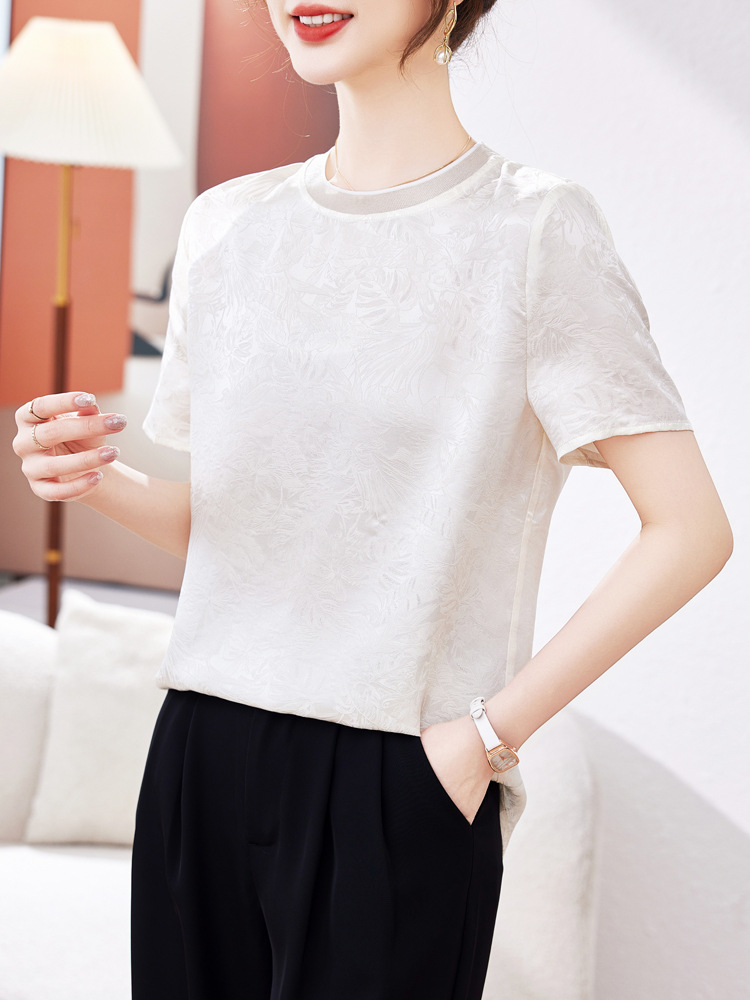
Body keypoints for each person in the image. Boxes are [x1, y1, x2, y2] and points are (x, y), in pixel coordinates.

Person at [12, 2, 732, 998]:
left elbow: (691, 532)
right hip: (199, 751)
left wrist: (482, 743)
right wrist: (99, 482)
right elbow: (245, 531)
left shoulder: (535, 231)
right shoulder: (227, 225)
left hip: (396, 781)